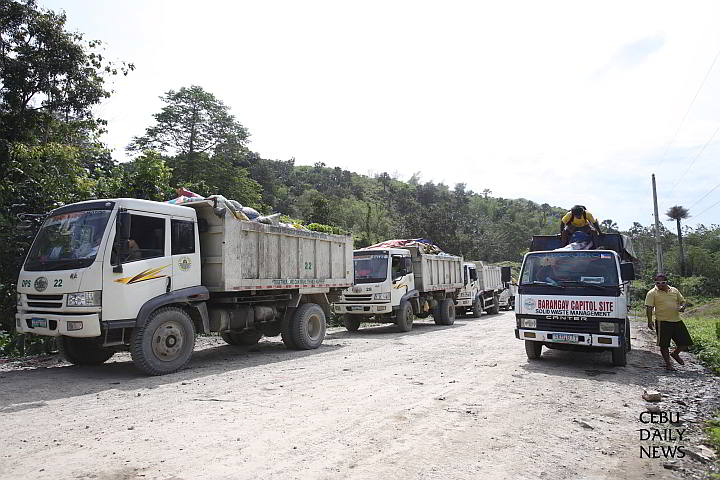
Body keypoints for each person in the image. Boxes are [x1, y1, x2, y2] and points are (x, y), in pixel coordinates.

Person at [645, 273, 692, 371]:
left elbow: (682, 301)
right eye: (658, 283)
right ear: (655, 283)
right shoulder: (652, 293)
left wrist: (683, 307)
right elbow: (649, 308)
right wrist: (649, 321)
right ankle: (668, 364)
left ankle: (675, 354)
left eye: (663, 282)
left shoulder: (674, 290)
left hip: (677, 320)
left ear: (666, 282)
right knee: (664, 345)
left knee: (685, 342)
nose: (660, 284)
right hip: (662, 322)